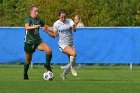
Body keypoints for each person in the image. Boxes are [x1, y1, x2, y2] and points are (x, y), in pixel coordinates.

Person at [24, 5, 56, 80]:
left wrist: (53, 30)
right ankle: (25, 73)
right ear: (31, 11)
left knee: (49, 50)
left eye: (38, 11)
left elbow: (46, 27)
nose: (37, 13)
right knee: (28, 61)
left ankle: (47, 65)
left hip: (38, 41)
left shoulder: (39, 20)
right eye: (35, 11)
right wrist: (35, 27)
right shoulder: (28, 18)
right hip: (29, 42)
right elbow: (26, 27)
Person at [53, 9, 77, 80]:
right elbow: (55, 35)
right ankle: (72, 67)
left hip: (71, 44)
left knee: (72, 62)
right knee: (74, 54)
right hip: (62, 44)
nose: (63, 19)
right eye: (62, 17)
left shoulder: (69, 21)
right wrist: (52, 32)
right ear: (59, 16)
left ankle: (63, 74)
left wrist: (74, 27)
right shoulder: (56, 24)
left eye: (64, 17)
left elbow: (74, 29)